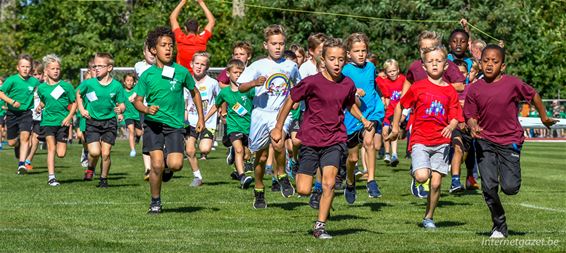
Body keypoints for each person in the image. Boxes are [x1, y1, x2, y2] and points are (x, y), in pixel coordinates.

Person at [271, 38, 372, 239]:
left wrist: (362, 118)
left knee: (329, 183)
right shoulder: (311, 82)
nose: (337, 63)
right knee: (303, 190)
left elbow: (350, 103)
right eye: (332, 58)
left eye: (341, 59)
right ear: (323, 60)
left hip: (335, 139)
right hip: (310, 139)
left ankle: (320, 226)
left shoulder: (347, 83)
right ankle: (295, 164)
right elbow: (291, 98)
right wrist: (278, 127)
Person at [464, 45, 557, 238]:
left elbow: (533, 95)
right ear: (480, 64)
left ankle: (508, 181)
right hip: (485, 141)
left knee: (510, 188)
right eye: (486, 61)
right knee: (488, 186)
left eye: (495, 61)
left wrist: (544, 117)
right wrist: (473, 126)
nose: (490, 64)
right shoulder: (474, 89)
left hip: (510, 140)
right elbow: (470, 115)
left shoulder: (512, 84)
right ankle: (499, 225)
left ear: (503, 66)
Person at [388, 45, 463, 229]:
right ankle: (417, 172)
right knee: (423, 176)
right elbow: (400, 105)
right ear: (424, 67)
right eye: (430, 61)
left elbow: (456, 115)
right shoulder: (417, 87)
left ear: (446, 65)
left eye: (439, 61)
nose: (435, 64)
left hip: (441, 142)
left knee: (436, 184)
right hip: (420, 139)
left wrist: (452, 125)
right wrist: (396, 126)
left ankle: (428, 217)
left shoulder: (450, 91)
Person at [133, 26, 204, 214]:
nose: (168, 49)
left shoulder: (181, 72)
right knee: (156, 164)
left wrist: (201, 118)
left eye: (171, 45)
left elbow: (194, 93)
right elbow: (137, 102)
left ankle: (166, 168)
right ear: (154, 50)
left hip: (175, 125)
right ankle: (155, 201)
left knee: (176, 165)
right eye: (163, 45)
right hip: (153, 124)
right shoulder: (147, 75)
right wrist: (147, 109)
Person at [237, 24, 301, 209]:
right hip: (260, 113)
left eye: (281, 43)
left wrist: (296, 100)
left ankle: (281, 174)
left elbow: (298, 86)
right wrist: (254, 83)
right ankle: (258, 189)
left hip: (281, 114)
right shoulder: (258, 65)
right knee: (261, 157)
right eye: (274, 43)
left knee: (278, 140)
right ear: (266, 45)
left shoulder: (291, 66)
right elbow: (241, 86)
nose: (278, 47)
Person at [403, 30, 467, 198]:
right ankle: (419, 175)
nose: (427, 52)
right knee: (419, 152)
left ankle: (450, 178)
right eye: (423, 49)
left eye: (430, 48)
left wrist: (440, 89)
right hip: (419, 116)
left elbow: (461, 85)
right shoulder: (415, 66)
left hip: (444, 117)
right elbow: (408, 80)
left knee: (455, 146)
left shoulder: (445, 64)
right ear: (419, 51)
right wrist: (404, 105)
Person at [342, 32, 385, 200]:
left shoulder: (371, 67)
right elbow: (343, 91)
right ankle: (350, 180)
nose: (361, 54)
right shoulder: (345, 70)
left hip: (373, 110)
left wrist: (380, 99)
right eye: (357, 51)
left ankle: (371, 180)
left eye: (364, 50)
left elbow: (372, 85)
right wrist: (353, 92)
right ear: (348, 53)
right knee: (352, 158)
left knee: (369, 142)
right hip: (353, 115)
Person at [76, 52, 126, 187]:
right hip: (92, 121)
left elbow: (122, 103)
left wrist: (120, 109)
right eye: (95, 66)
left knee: (106, 153)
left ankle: (103, 179)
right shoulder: (90, 83)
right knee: (94, 152)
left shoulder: (116, 86)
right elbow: (78, 93)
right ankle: (91, 168)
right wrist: (81, 109)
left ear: (109, 68)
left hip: (109, 122)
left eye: (100, 66)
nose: (96, 68)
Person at [203, 59, 254, 189]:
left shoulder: (248, 90)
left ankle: (238, 171)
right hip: (233, 127)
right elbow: (215, 106)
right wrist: (203, 119)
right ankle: (243, 177)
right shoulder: (225, 92)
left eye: (240, 72)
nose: (238, 75)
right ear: (228, 73)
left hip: (249, 127)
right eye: (235, 72)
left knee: (247, 155)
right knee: (239, 149)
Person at [36, 54, 77, 186]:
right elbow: (44, 101)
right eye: (53, 68)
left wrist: (69, 117)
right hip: (48, 121)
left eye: (58, 68)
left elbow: (74, 102)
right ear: (46, 71)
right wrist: (39, 106)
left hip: (62, 122)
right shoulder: (41, 88)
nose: (55, 71)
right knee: (51, 148)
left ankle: (52, 175)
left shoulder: (66, 86)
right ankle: (51, 177)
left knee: (61, 153)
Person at [0, 54, 41, 174]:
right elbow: (1, 93)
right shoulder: (12, 80)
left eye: (28, 67)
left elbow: (40, 94)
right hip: (12, 113)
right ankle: (16, 145)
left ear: (31, 68)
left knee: (25, 137)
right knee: (12, 142)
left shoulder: (34, 82)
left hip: (26, 113)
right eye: (23, 66)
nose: (25, 69)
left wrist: (39, 105)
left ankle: (21, 164)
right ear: (18, 67)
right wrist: (11, 101)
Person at [184, 51, 219, 186]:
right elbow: (185, 103)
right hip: (191, 122)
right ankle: (197, 177)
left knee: (204, 149)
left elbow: (219, 101)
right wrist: (184, 120)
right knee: (190, 150)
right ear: (191, 64)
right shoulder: (187, 82)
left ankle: (205, 140)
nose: (199, 66)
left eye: (202, 64)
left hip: (207, 121)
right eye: (197, 63)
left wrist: (205, 117)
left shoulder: (212, 83)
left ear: (207, 67)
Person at [448, 59, 479, 193]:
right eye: (457, 73)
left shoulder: (472, 89)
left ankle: (459, 176)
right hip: (453, 126)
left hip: (467, 128)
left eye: (462, 73)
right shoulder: (448, 89)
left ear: (466, 75)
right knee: (458, 150)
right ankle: (455, 181)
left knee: (461, 158)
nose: (459, 76)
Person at [170, 0, 215, 74]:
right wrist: (201, 2)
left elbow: (172, 18)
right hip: (198, 76)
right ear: (198, 28)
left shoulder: (180, 38)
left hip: (182, 75)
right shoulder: (202, 39)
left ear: (185, 28)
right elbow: (211, 21)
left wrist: (183, 1)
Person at [376, 59, 405, 167]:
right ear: (386, 72)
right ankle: (387, 153)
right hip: (388, 111)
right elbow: (376, 79)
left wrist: (404, 114)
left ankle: (394, 154)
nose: (392, 73)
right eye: (389, 72)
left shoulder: (403, 80)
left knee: (394, 130)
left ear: (398, 70)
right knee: (384, 132)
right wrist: (381, 75)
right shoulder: (385, 81)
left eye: (394, 70)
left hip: (397, 111)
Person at [134, 42, 156, 181]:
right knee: (147, 136)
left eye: (154, 51)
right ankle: (148, 168)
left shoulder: (163, 67)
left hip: (160, 106)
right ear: (144, 53)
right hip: (144, 107)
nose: (152, 54)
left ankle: (158, 164)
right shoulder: (139, 66)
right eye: (149, 51)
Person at [25, 61, 45, 171]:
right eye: (34, 74)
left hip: (38, 116)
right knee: (26, 137)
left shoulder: (45, 86)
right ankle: (22, 157)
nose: (37, 76)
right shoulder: (27, 84)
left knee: (36, 138)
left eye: (39, 74)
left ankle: (28, 160)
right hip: (26, 114)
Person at [121, 73, 143, 158]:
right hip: (128, 114)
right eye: (127, 80)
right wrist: (120, 113)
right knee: (131, 130)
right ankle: (133, 150)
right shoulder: (122, 92)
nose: (129, 82)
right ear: (124, 82)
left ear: (134, 82)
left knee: (139, 132)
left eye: (131, 81)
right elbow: (119, 103)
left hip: (137, 114)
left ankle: (137, 137)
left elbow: (141, 83)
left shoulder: (136, 89)